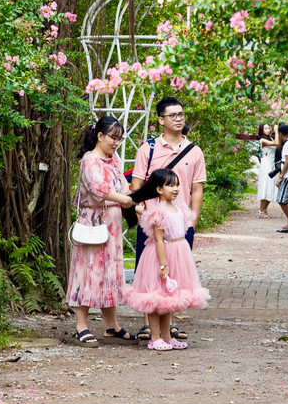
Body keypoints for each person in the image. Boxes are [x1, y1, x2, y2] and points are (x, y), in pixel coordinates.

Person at [131, 96, 206, 341]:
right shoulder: (148, 148)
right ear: (160, 119)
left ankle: (168, 325)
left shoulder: (194, 151)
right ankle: (147, 324)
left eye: (181, 115)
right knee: (149, 270)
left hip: (179, 225)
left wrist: (192, 222)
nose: (178, 119)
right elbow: (138, 184)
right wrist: (142, 212)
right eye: (172, 115)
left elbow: (196, 189)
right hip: (152, 222)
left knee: (175, 272)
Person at [65, 116, 139, 348]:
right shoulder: (90, 160)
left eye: (119, 138)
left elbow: (124, 187)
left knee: (110, 273)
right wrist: (126, 201)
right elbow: (99, 190)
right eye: (112, 137)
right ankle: (80, 327)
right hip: (93, 224)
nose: (116, 143)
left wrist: (135, 200)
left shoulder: (113, 159)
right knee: (87, 272)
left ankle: (112, 326)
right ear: (100, 136)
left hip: (112, 227)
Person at [124, 168, 211, 351]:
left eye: (177, 185)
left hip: (178, 253)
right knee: (156, 298)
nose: (176, 188)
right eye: (170, 185)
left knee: (168, 299)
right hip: (160, 256)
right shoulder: (158, 212)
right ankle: (154, 338)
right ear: (159, 189)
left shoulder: (179, 209)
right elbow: (158, 239)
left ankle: (167, 336)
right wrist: (164, 265)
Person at [255, 123, 279, 217]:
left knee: (271, 187)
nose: (268, 130)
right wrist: (276, 131)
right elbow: (276, 143)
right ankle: (261, 210)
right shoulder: (262, 140)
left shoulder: (271, 138)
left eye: (269, 128)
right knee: (266, 185)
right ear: (262, 130)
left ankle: (264, 209)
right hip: (266, 164)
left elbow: (278, 145)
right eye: (265, 128)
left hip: (272, 163)